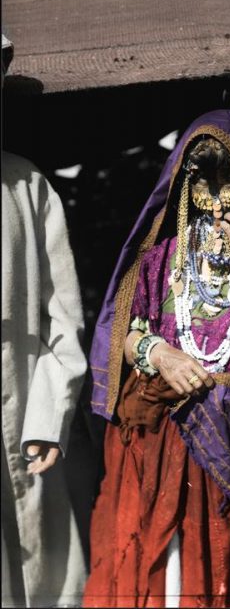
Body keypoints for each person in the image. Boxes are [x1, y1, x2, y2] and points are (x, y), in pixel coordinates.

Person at [83, 110, 230, 608]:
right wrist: (158, 351)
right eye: (202, 185)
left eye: (229, 182)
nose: (215, 207)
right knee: (165, 578)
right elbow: (121, 335)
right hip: (163, 445)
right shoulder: (162, 255)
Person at [2, 34, 88, 607]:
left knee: (33, 574)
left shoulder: (26, 185)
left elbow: (64, 316)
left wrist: (47, 415)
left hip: (17, 407)